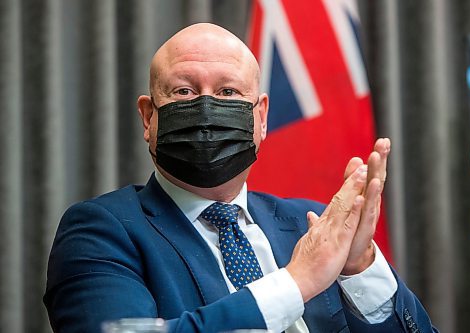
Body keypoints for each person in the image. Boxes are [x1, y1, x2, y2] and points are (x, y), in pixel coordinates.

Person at [44, 23, 436, 333]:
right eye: (183, 91)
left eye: (229, 92)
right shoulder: (100, 231)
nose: (207, 107)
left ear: (260, 118)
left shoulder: (315, 227)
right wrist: (296, 283)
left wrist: (361, 268)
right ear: (149, 117)